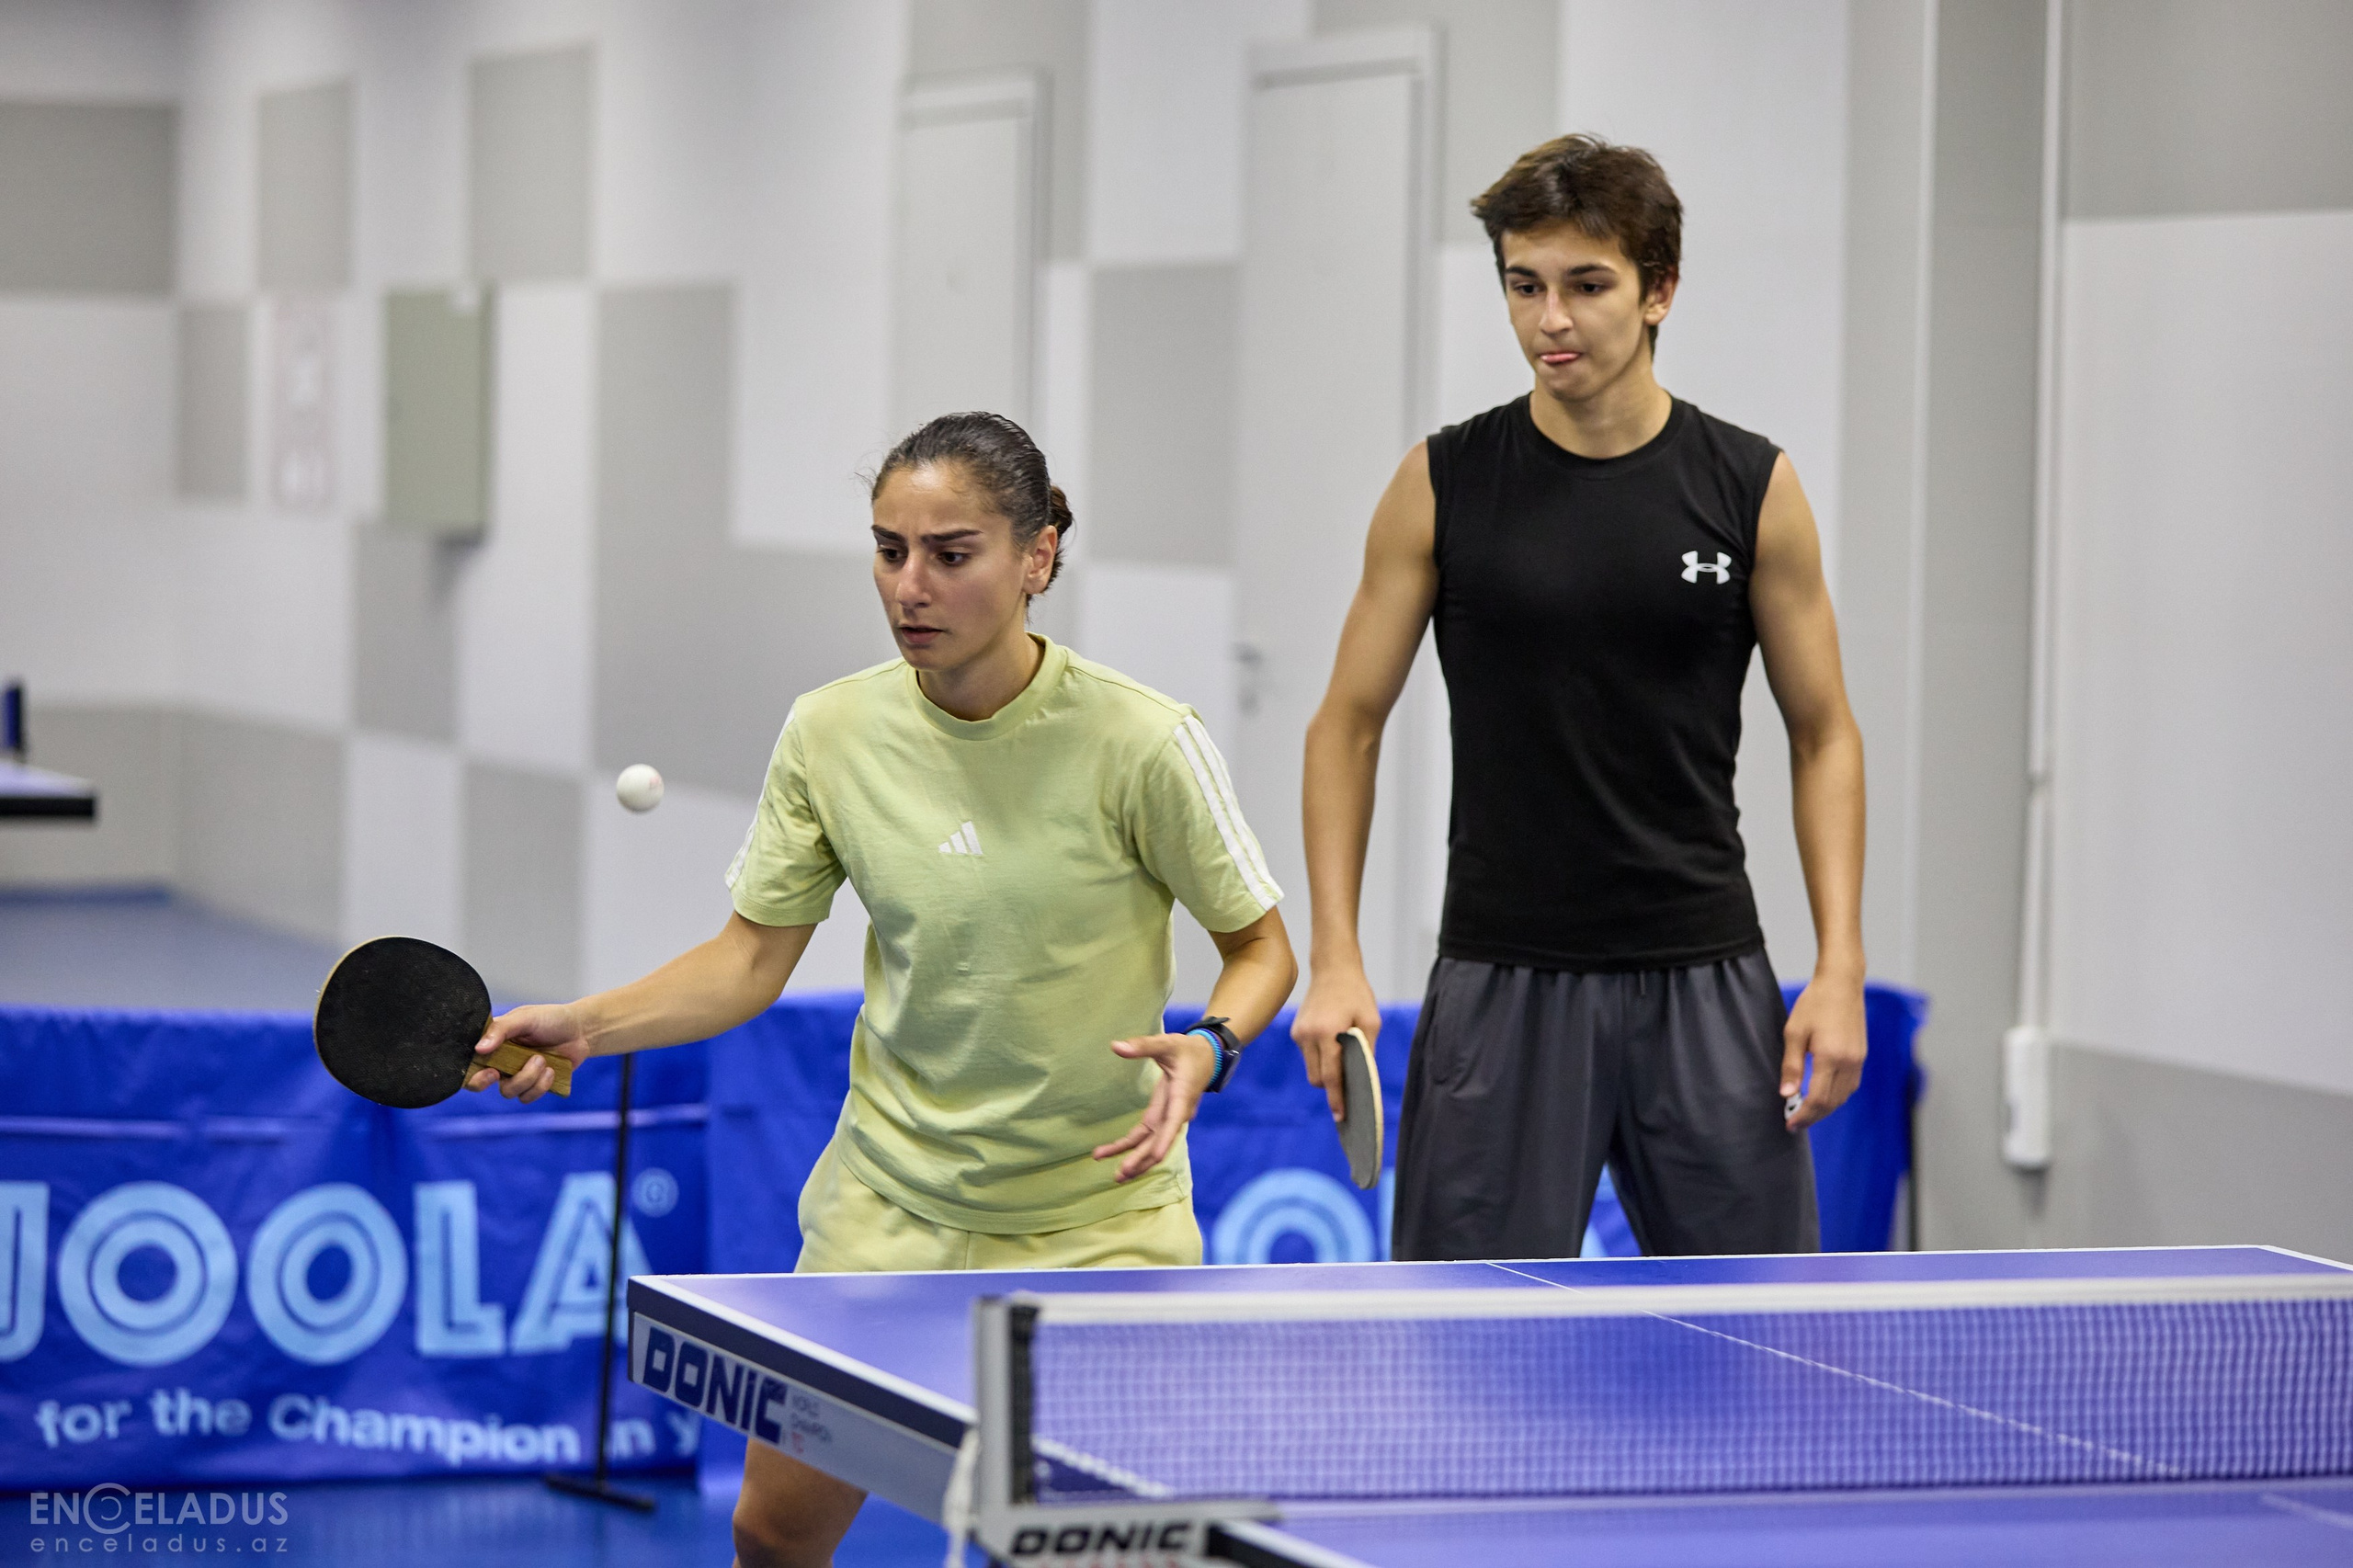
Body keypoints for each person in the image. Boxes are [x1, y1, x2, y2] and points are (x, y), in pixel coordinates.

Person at [470, 411, 1296, 1567]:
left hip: (1095, 1223)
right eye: (888, 549)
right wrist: (587, 1023)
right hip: (887, 1205)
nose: (910, 586)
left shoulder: (1145, 742)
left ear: (1037, 557)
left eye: (951, 554)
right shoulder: (832, 731)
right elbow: (750, 957)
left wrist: (1212, 1041)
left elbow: (1262, 947)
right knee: (771, 1530)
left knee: (1091, 1550)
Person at [1291, 135, 1866, 1261]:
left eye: (1586, 285)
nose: (1550, 319)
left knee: (1755, 1350)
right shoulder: (1441, 484)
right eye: (1523, 284)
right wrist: (1336, 952)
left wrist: (1838, 964)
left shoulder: (1751, 487)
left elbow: (1824, 732)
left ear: (1659, 291)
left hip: (1704, 974)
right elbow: (1343, 726)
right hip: (1502, 979)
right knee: (1467, 1356)